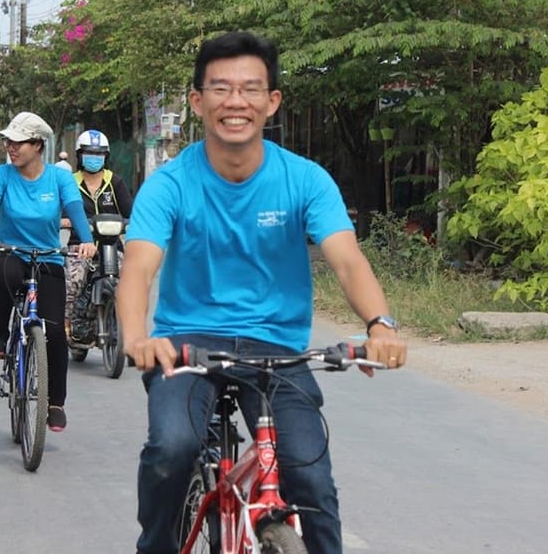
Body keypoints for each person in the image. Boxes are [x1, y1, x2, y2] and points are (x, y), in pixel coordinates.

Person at [117, 31, 407, 554]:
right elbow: (137, 268)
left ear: (272, 101)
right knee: (172, 449)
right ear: (197, 101)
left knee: (310, 476)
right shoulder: (171, 183)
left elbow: (347, 259)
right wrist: (137, 337)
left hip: (278, 348)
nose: (236, 102)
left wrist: (379, 325)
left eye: (250, 89)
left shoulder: (305, 180)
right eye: (221, 88)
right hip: (186, 345)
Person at [0, 111, 96, 432]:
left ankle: (55, 403)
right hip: (12, 253)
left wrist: (87, 240)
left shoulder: (59, 177)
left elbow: (74, 209)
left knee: (54, 333)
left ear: (38, 145)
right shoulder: (1, 175)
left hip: (49, 259)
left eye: (19, 143)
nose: (11, 148)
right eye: (8, 142)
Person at [61, 129, 133, 341]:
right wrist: (64, 221)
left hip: (111, 245)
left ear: (105, 157)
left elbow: (131, 213)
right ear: (80, 156)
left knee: (127, 278)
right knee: (74, 280)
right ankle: (66, 326)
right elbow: (57, 213)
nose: (94, 157)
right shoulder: (69, 182)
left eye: (99, 153)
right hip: (80, 246)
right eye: (89, 153)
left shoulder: (115, 182)